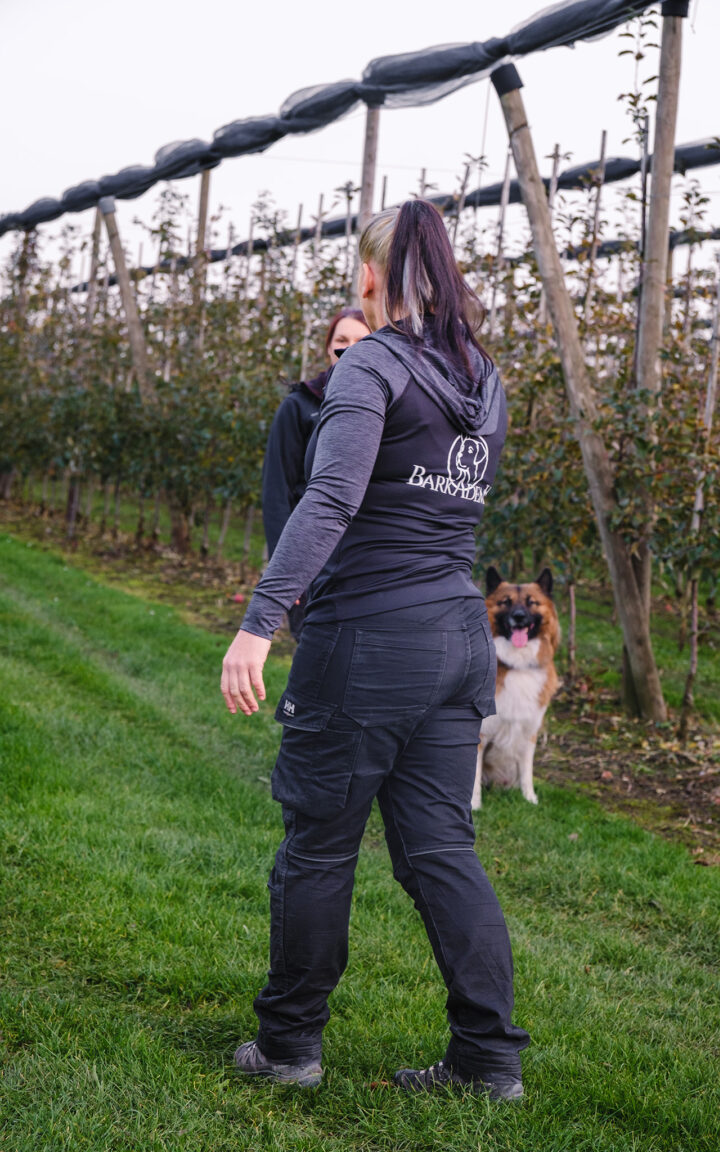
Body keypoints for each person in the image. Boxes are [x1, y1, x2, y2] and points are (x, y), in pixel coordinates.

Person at [221, 200, 530, 1100]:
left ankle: (289, 1048)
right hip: (454, 640)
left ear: (375, 275)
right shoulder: (484, 378)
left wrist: (259, 620)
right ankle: (488, 1061)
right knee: (443, 852)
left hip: (366, 642)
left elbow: (329, 501)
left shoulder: (375, 367)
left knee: (318, 848)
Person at [261, 307, 369, 639]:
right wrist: (288, 574)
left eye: (360, 341)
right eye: (341, 340)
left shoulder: (385, 407)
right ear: (328, 347)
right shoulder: (300, 406)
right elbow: (277, 493)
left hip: (365, 561)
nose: (349, 349)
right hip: (310, 556)